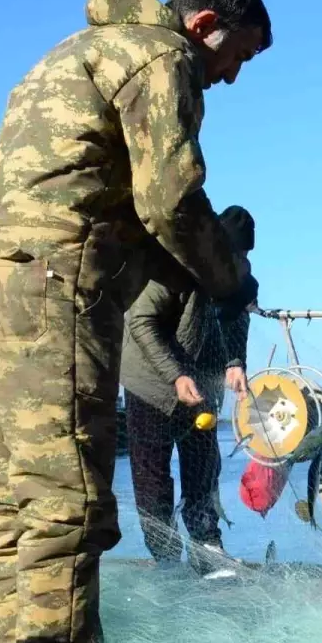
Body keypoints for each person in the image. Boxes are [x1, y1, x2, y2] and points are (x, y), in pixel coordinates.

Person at [0, 0, 271, 643]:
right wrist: (231, 276)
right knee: (68, 501)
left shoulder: (77, 51)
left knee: (12, 507)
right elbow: (170, 203)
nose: (229, 77)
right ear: (203, 27)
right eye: (238, 57)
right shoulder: (162, 58)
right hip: (52, 285)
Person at [121, 206, 257, 577]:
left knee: (203, 471)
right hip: (150, 385)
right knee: (153, 482)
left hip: (202, 392)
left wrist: (235, 362)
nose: (240, 263)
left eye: (245, 256)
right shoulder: (175, 268)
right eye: (234, 254)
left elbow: (238, 319)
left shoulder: (239, 282)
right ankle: (166, 559)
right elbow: (142, 322)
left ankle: (207, 548)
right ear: (216, 249)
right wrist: (177, 375)